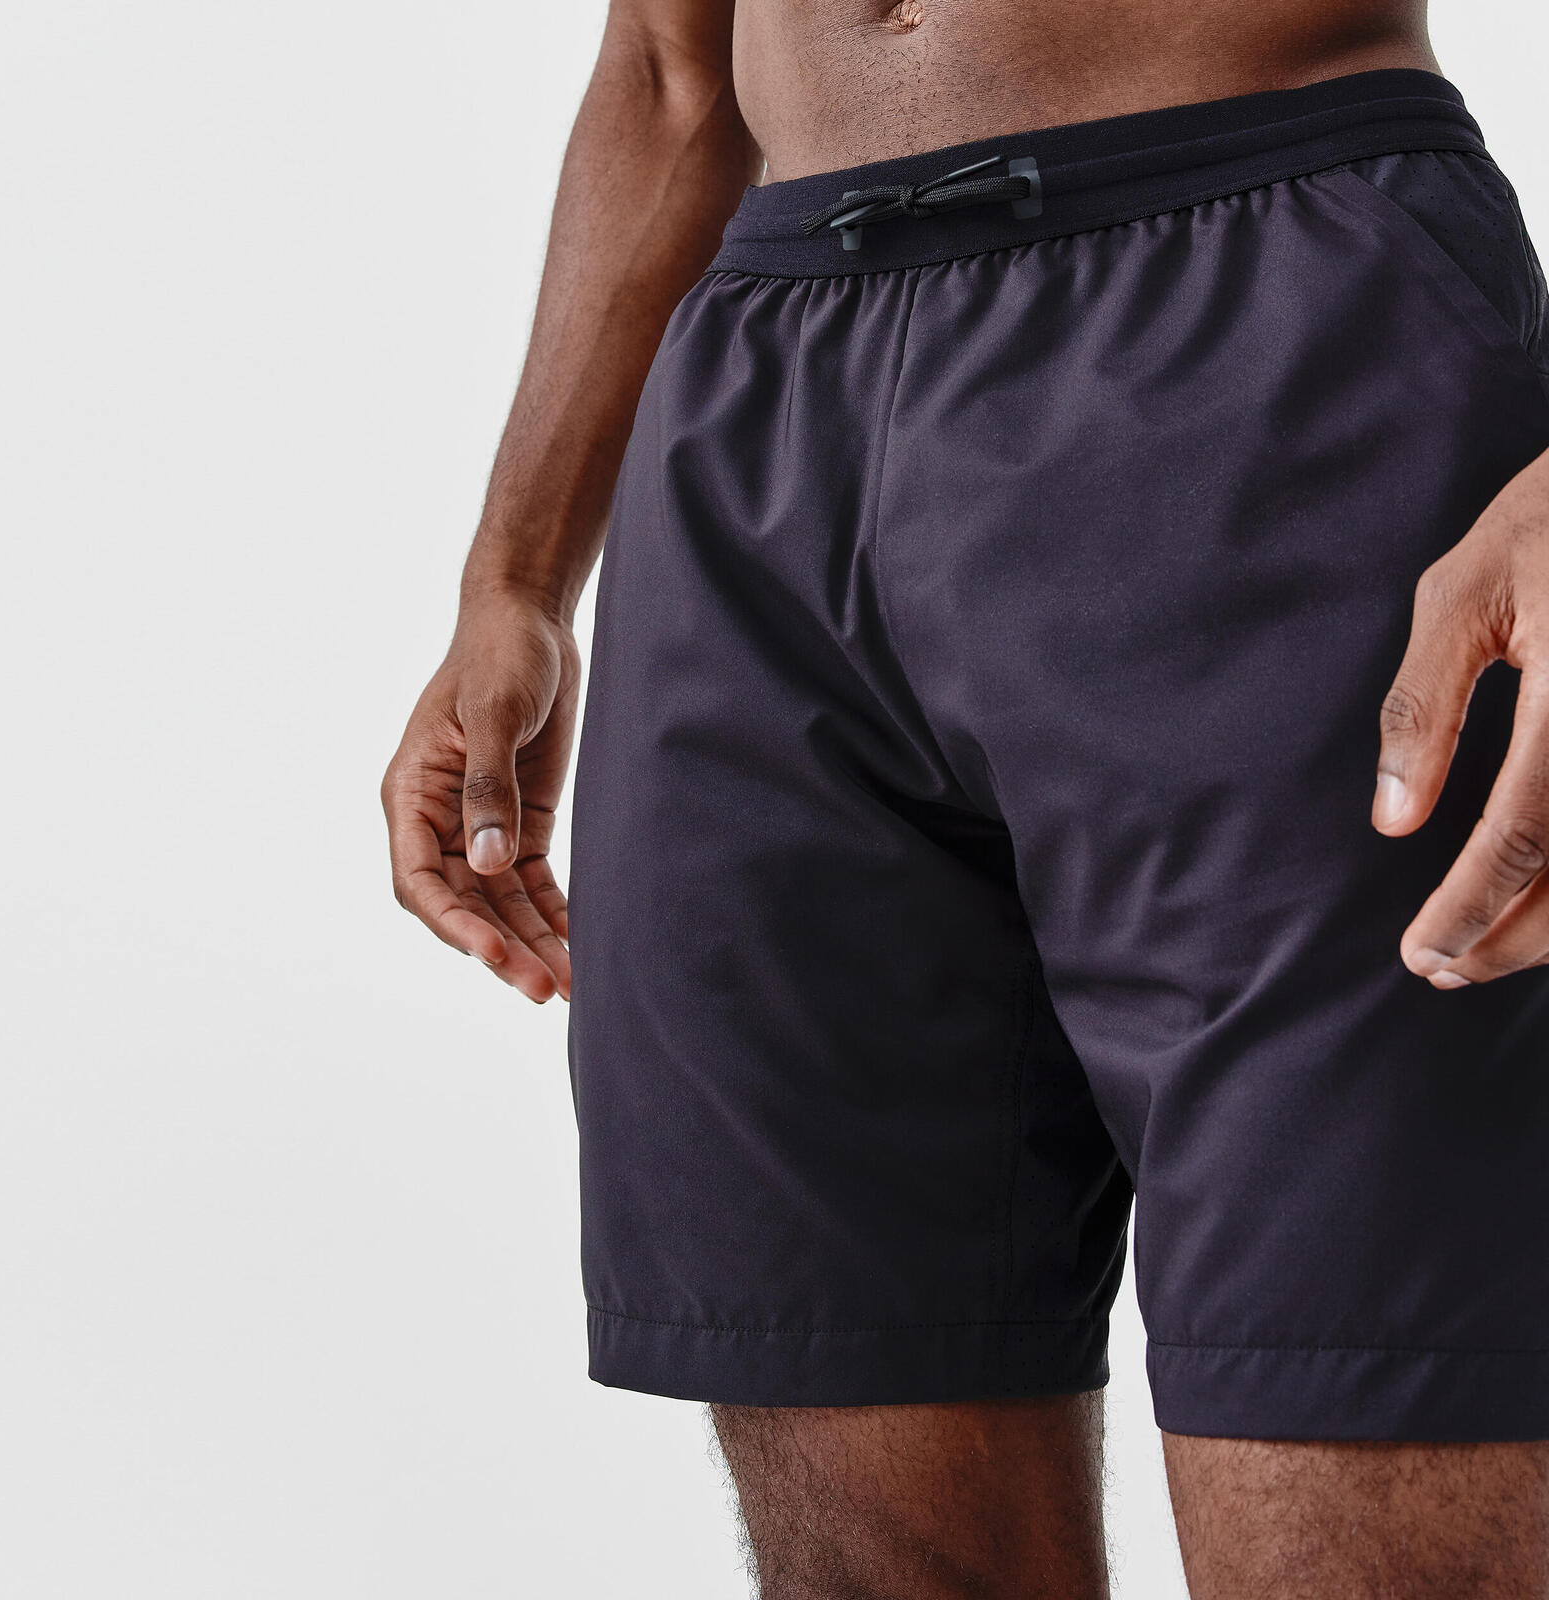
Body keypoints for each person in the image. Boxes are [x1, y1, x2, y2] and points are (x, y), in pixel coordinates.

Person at [382, 1, 1549, 1592]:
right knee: (863, 1515)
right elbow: (668, 62)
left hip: (1270, 318)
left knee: (1362, 1427)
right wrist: (516, 578)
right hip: (759, 418)